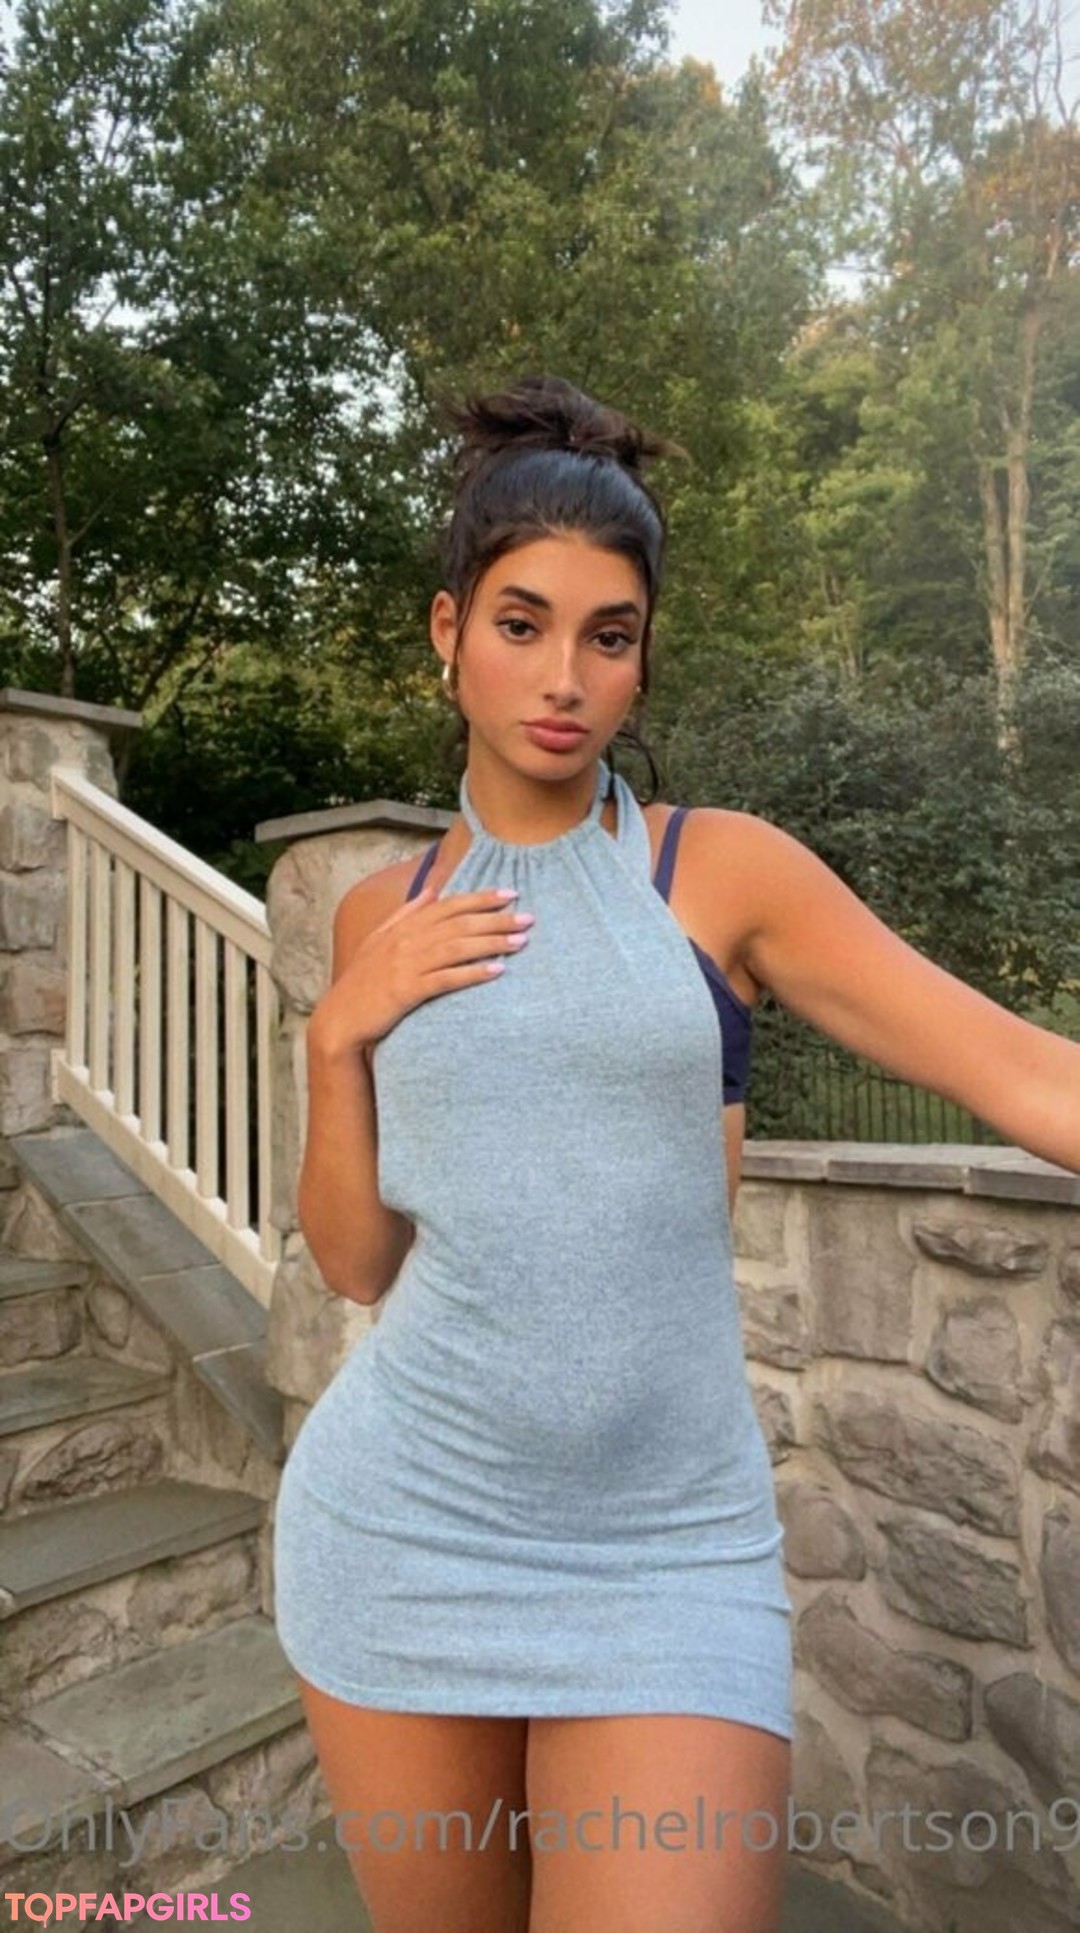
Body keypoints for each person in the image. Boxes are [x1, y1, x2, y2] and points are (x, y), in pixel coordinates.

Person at [272, 372, 1080, 1933]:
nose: (562, 676)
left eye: (610, 634)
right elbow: (357, 1262)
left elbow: (1022, 1069)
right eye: (521, 624)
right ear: (448, 633)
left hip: (666, 1553)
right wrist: (333, 1040)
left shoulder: (716, 873)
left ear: (643, 657)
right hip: (403, 1523)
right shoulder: (384, 912)